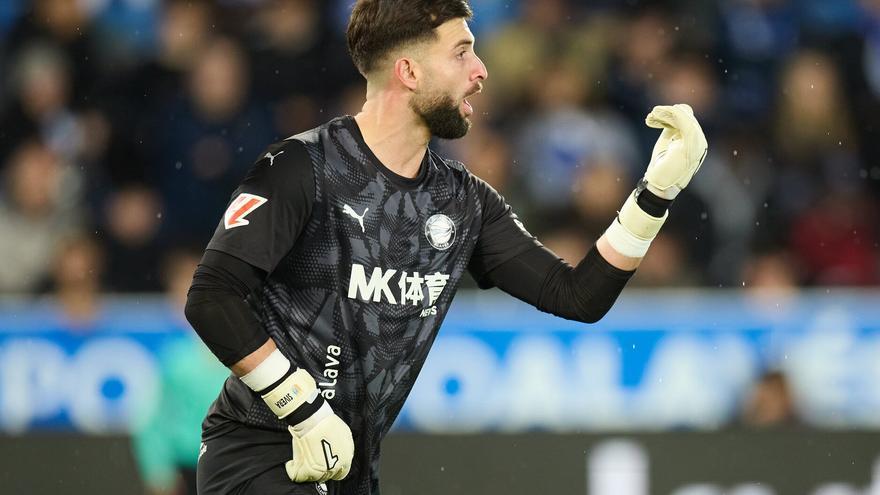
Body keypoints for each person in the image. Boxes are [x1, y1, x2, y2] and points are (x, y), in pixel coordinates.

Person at [184, 1, 708, 494]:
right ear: (409, 71)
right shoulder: (302, 166)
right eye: (461, 53)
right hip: (260, 454)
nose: (480, 71)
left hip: (349, 468)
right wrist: (304, 410)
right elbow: (212, 296)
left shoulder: (464, 202)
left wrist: (653, 196)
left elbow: (577, 296)